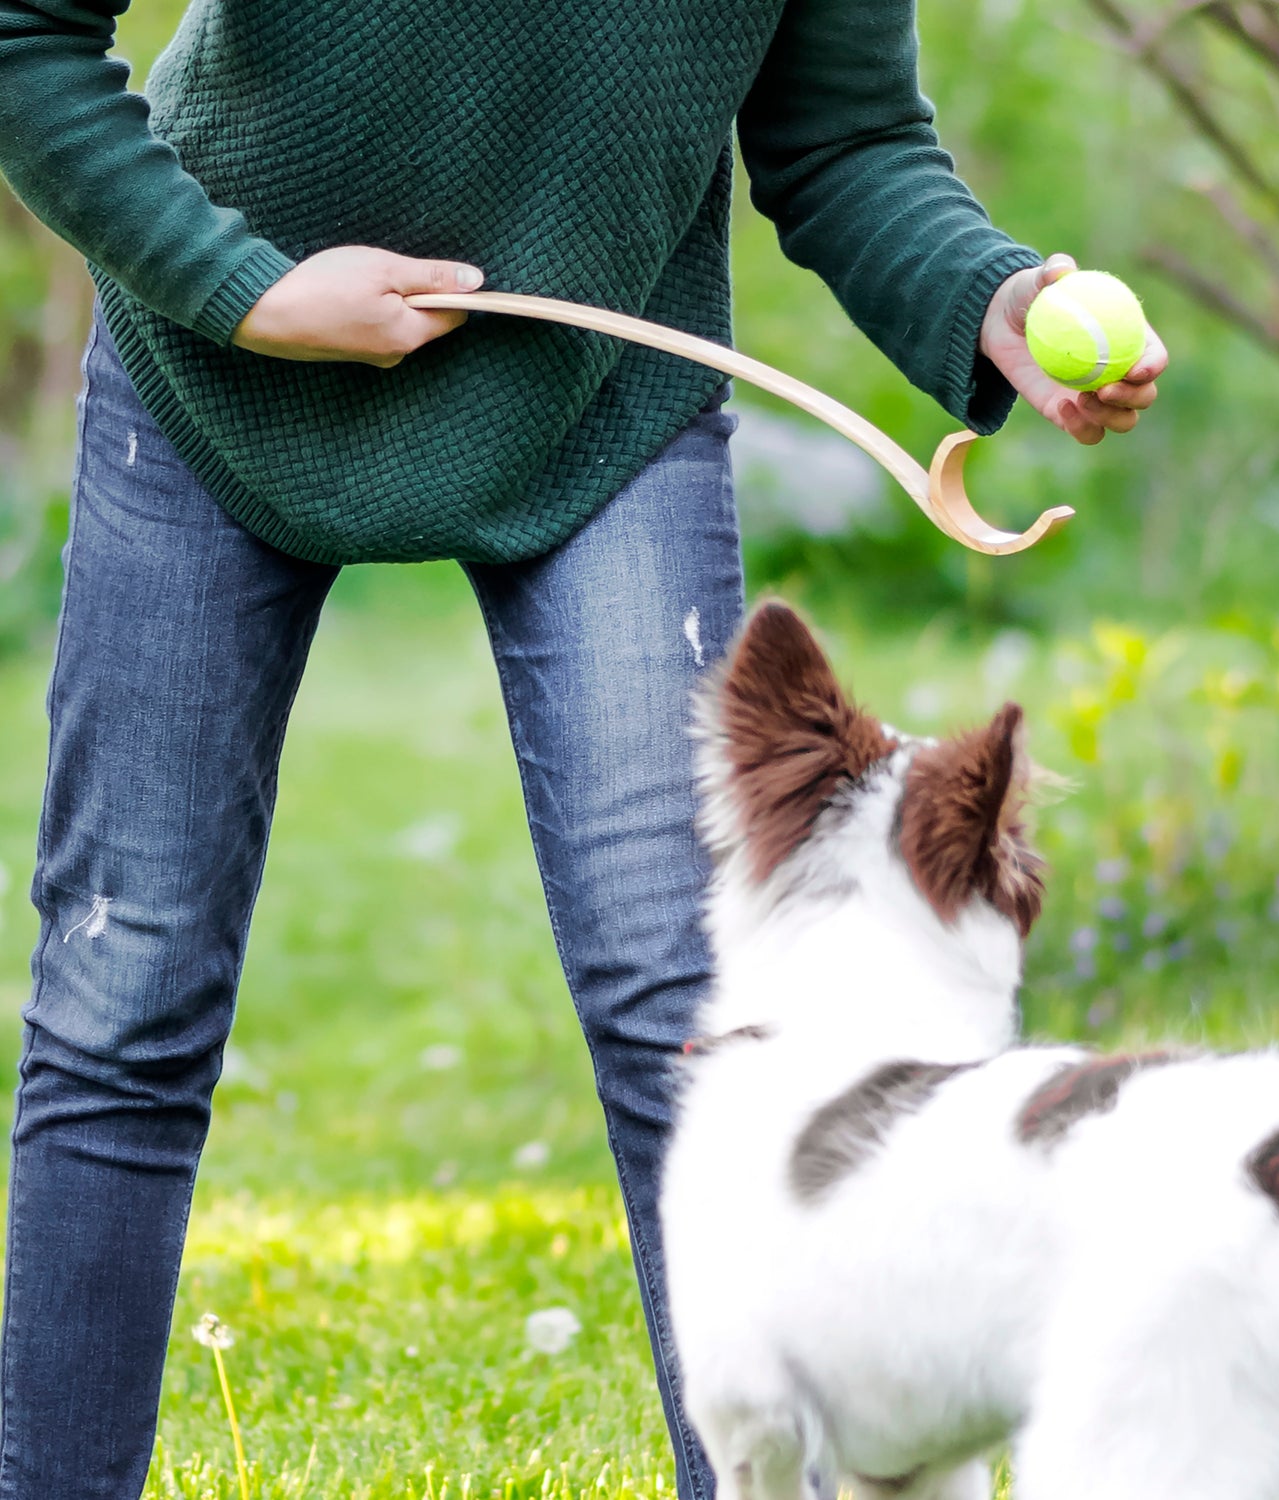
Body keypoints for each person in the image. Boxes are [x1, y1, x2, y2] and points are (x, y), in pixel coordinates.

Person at [0, 0, 1167, 1495]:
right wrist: (245, 289)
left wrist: (989, 297)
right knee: (124, 991)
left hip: (600, 401)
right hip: (210, 366)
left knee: (685, 1009)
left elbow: (848, 140)